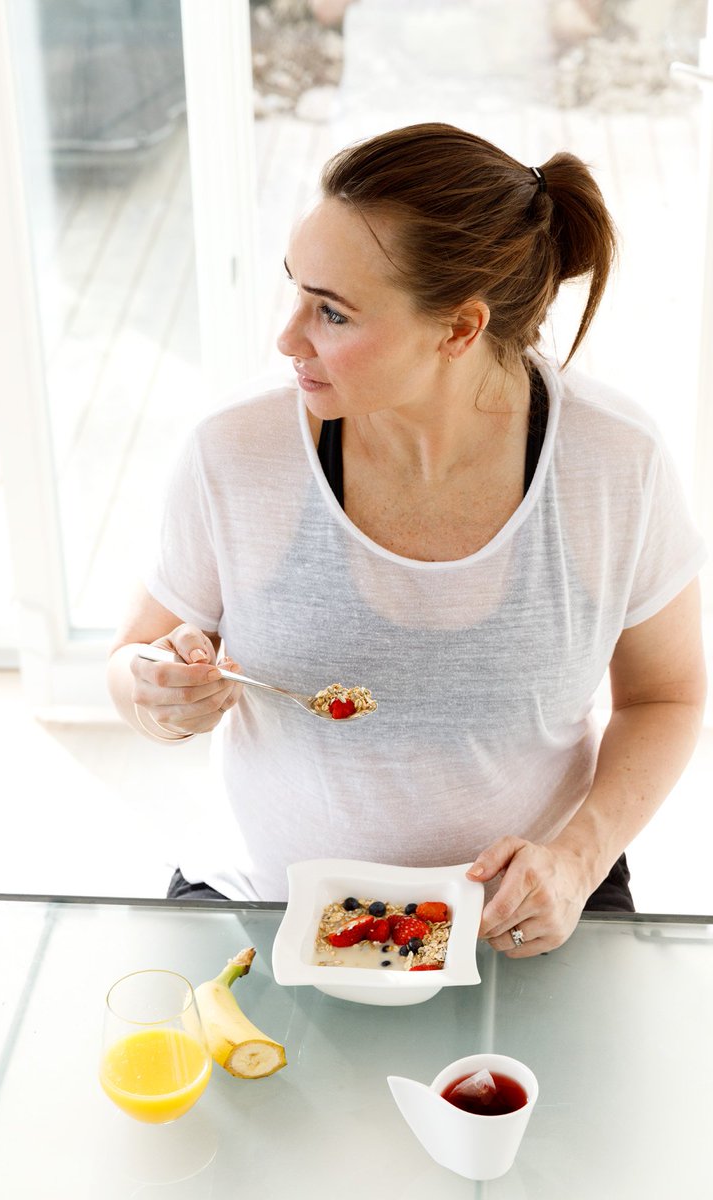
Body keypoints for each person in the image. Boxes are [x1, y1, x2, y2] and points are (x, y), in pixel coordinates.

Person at [107, 122, 707, 957]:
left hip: (524, 914)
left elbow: (666, 697)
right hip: (269, 909)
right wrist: (157, 693)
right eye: (296, 290)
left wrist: (578, 857)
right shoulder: (235, 450)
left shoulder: (613, 460)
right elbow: (134, 661)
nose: (287, 338)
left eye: (332, 313)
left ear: (460, 329)